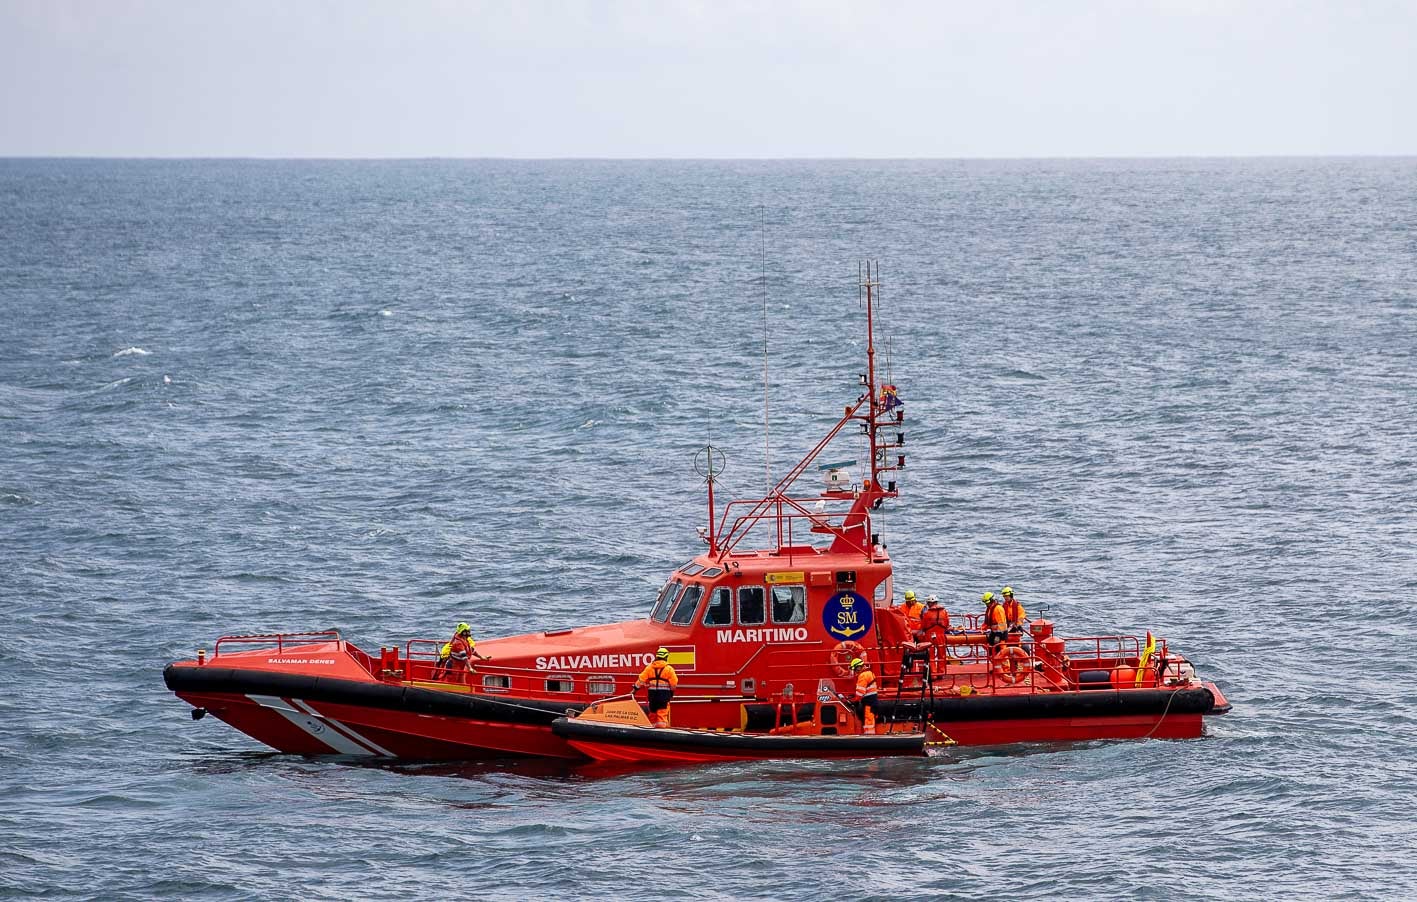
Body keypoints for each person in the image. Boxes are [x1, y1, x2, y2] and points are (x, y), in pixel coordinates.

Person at [634, 647, 679, 727]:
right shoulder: (669, 669)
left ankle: (651, 731)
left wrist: (635, 689)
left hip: (652, 696)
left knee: (653, 714)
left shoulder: (649, 668)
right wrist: (671, 692)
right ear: (666, 657)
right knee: (662, 716)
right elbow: (674, 684)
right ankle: (662, 734)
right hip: (664, 696)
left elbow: (641, 680)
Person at [849, 657, 879, 734]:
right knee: (871, 720)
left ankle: (869, 738)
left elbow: (860, 693)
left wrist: (854, 700)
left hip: (869, 703)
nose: (855, 671)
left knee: (868, 722)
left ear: (858, 667)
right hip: (873, 702)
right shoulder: (870, 673)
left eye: (855, 669)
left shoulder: (863, 676)